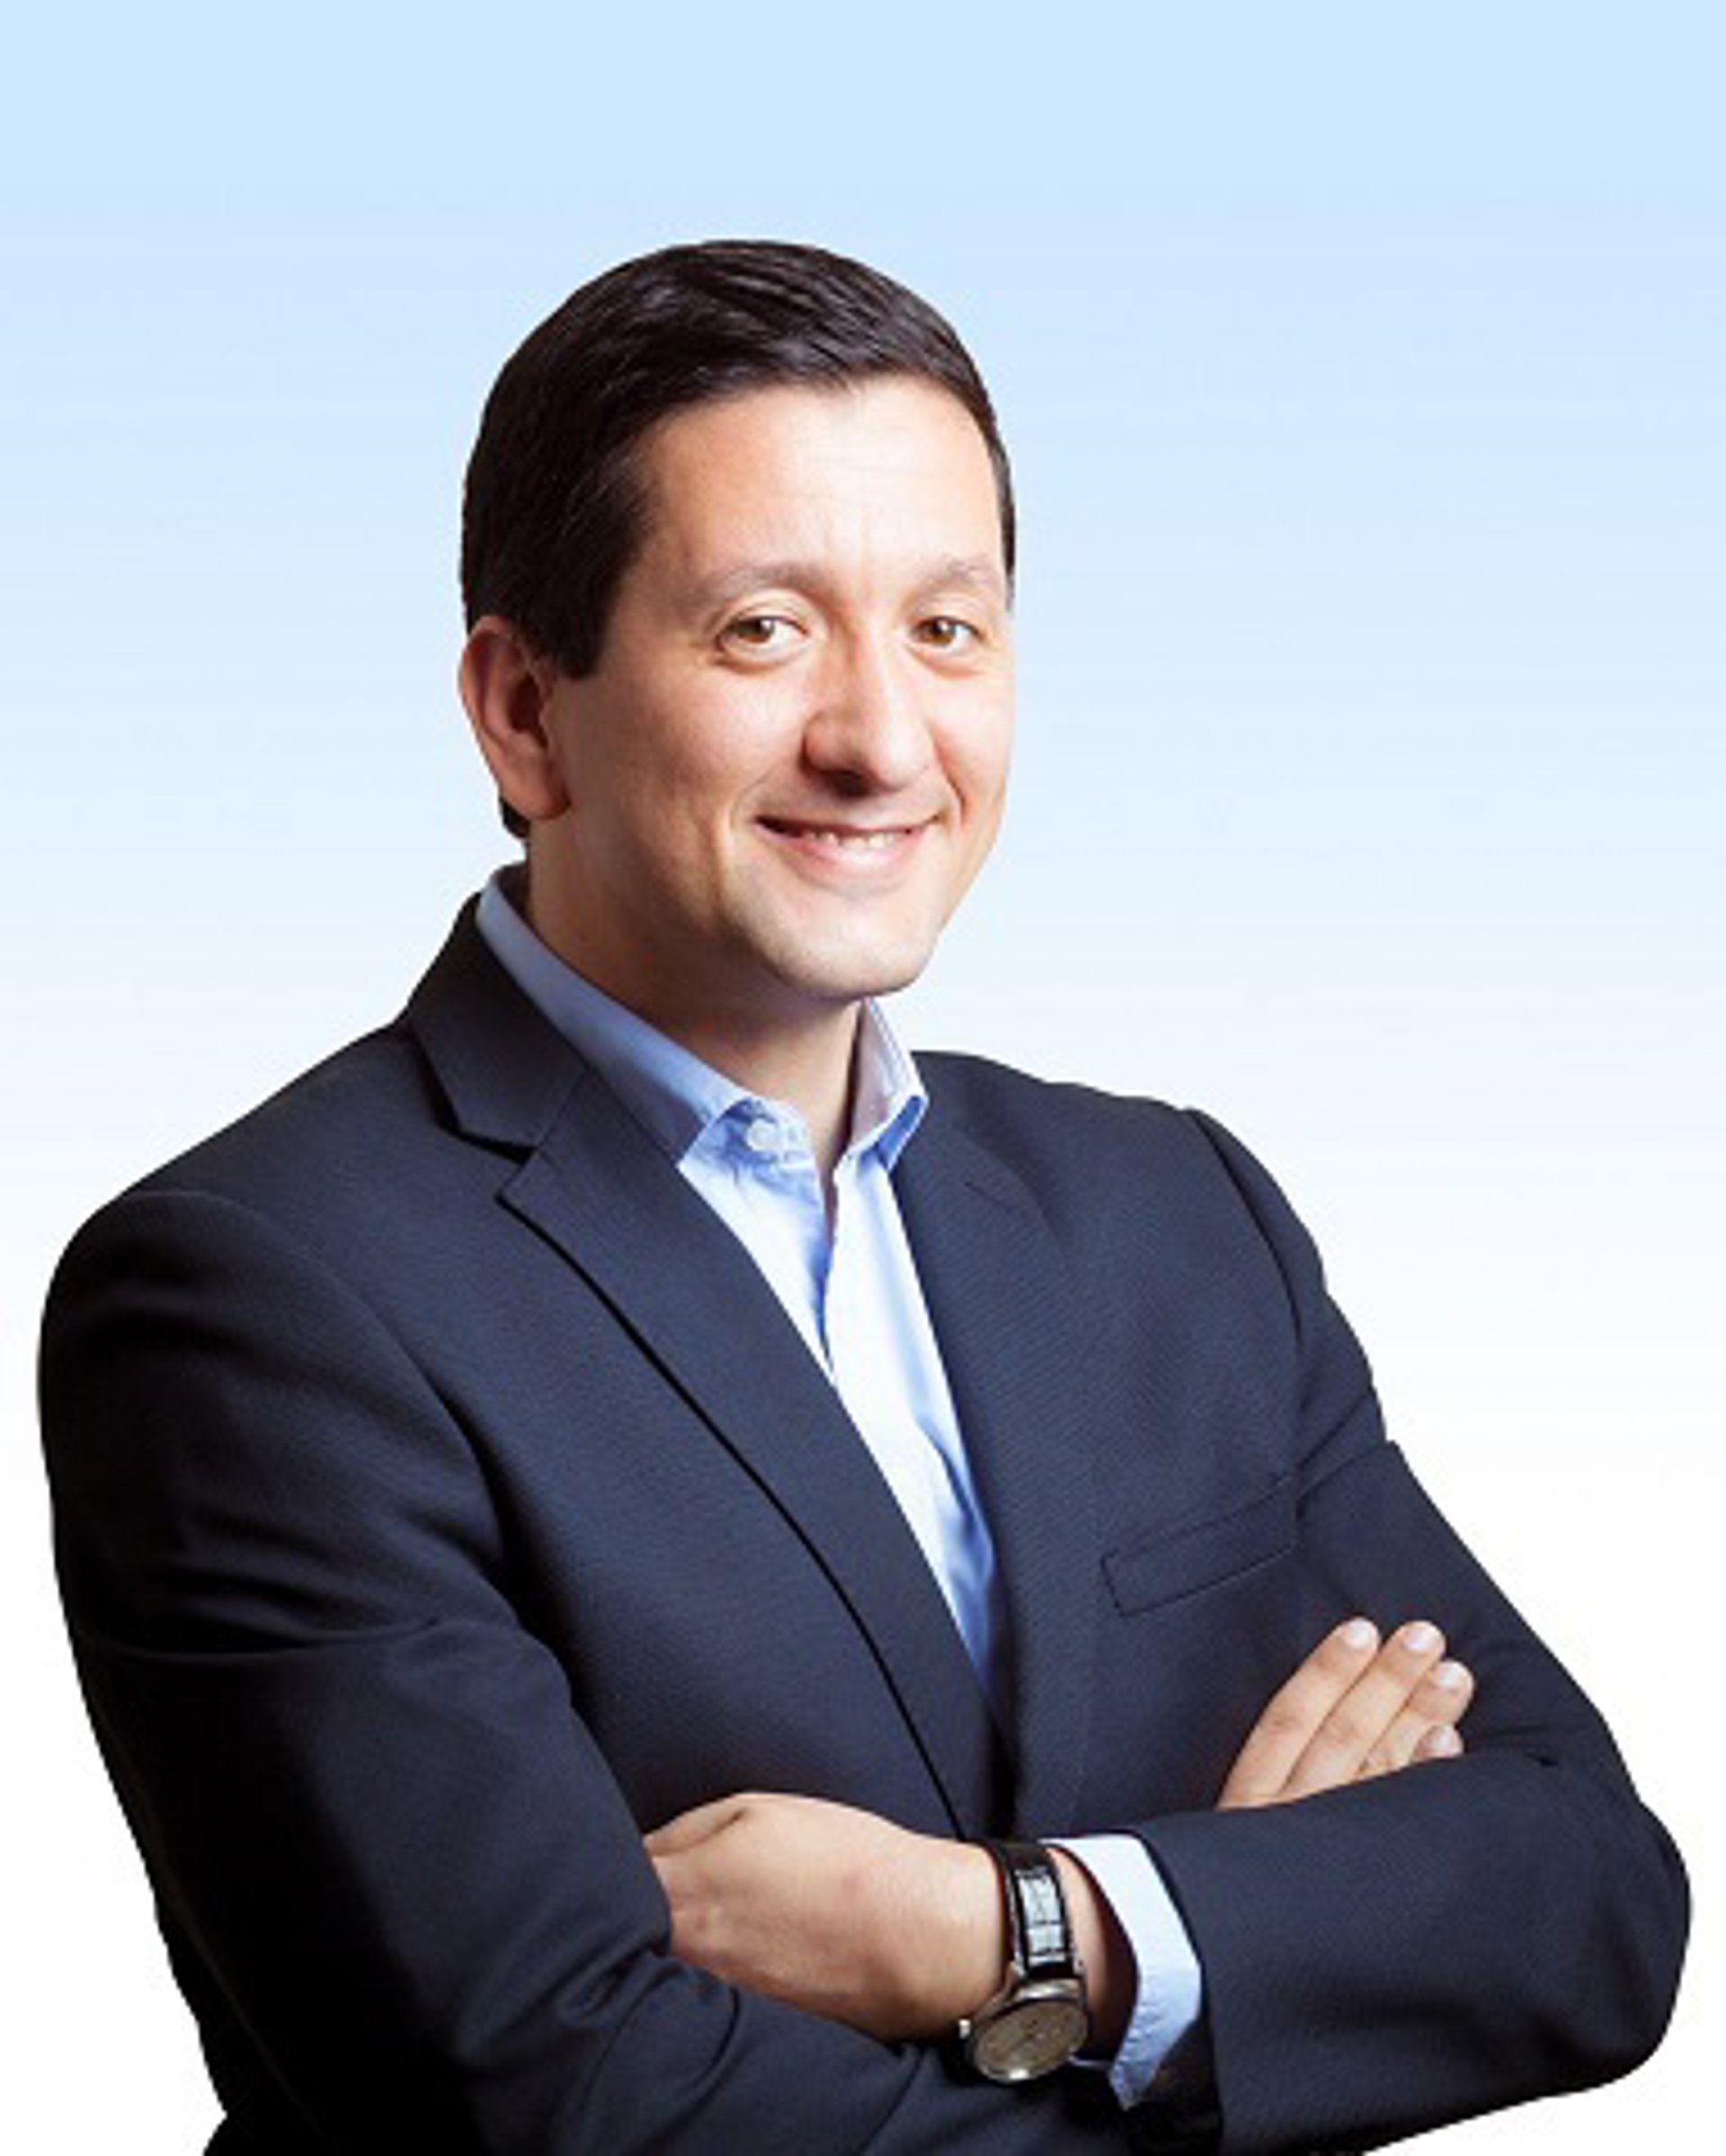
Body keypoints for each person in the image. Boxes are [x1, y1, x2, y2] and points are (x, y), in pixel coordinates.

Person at [40, 240, 1686, 2154]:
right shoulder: (261, 1295)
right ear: (522, 711)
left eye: (948, 629)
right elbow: (570, 2109)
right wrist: (1260, 1964)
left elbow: (1591, 1902)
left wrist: (1014, 1932)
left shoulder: (1177, 1215)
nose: (884, 741)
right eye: (763, 631)